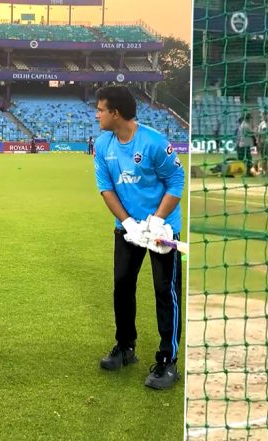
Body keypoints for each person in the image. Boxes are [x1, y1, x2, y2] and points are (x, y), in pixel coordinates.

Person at [92, 86, 184, 390]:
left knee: (164, 292)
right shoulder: (103, 144)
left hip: (162, 232)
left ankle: (168, 361)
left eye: (100, 109)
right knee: (122, 286)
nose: (97, 115)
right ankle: (125, 346)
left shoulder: (155, 142)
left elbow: (176, 181)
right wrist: (129, 223)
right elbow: (106, 188)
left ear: (115, 113)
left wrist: (157, 222)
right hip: (129, 231)